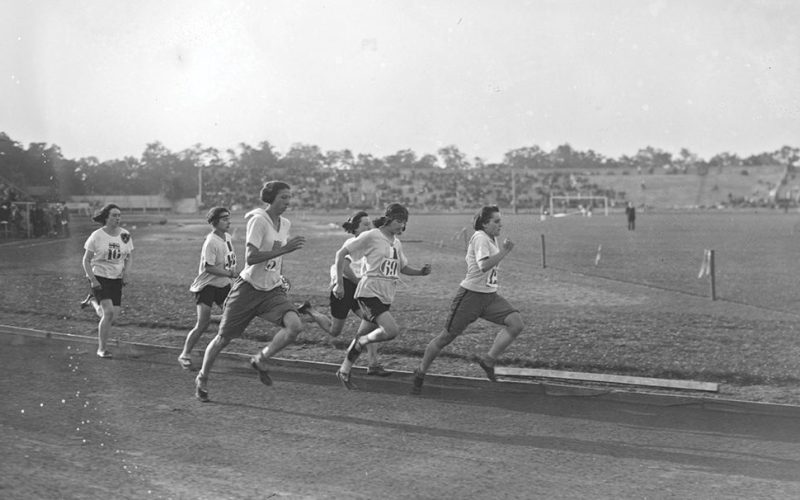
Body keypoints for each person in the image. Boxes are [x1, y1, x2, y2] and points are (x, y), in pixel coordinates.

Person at [194, 181, 306, 402]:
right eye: (283, 197)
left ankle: (260, 358)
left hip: (272, 290)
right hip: (247, 289)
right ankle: (202, 377)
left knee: (294, 326)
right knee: (222, 339)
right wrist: (285, 249)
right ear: (271, 198)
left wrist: (279, 275)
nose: (287, 201)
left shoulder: (284, 223)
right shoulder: (258, 221)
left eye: (289, 197)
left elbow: (276, 256)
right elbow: (251, 257)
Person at [411, 205, 523, 395]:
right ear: (484, 223)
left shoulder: (490, 238)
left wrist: (501, 250)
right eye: (496, 221)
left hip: (489, 296)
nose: (500, 225)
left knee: (516, 323)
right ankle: (420, 372)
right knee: (446, 337)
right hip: (470, 297)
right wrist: (504, 251)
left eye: (500, 221)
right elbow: (483, 266)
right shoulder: (480, 237)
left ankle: (488, 361)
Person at [333, 203, 431, 390]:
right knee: (391, 330)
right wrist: (338, 283)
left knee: (362, 334)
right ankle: (363, 344)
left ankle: (344, 370)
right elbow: (341, 253)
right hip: (369, 292)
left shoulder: (397, 242)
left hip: (386, 295)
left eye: (404, 222)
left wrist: (421, 272)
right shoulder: (372, 235)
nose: (402, 226)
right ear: (388, 218)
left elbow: (402, 267)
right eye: (398, 221)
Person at [299, 211, 389, 376]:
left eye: (370, 224)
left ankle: (373, 364)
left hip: (357, 287)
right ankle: (309, 310)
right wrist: (345, 284)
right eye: (365, 224)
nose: (369, 227)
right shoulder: (352, 242)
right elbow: (345, 268)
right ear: (355, 229)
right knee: (335, 331)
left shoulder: (370, 244)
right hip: (345, 285)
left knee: (372, 321)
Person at [177, 207, 238, 370]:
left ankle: (212, 319)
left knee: (233, 316)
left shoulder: (227, 237)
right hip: (206, 286)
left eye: (228, 218)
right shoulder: (211, 241)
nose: (228, 221)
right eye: (224, 218)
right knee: (202, 325)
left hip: (223, 284)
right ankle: (185, 354)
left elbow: (228, 260)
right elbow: (209, 267)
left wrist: (231, 275)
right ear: (215, 222)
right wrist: (230, 273)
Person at [80, 203, 134, 358]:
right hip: (99, 277)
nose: (118, 218)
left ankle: (92, 302)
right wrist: (92, 280)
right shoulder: (97, 236)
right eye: (114, 215)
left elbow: (129, 257)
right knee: (108, 313)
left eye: (119, 215)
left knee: (112, 316)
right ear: (106, 218)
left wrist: (126, 274)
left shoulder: (125, 235)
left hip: (116, 278)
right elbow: (86, 260)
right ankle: (102, 349)